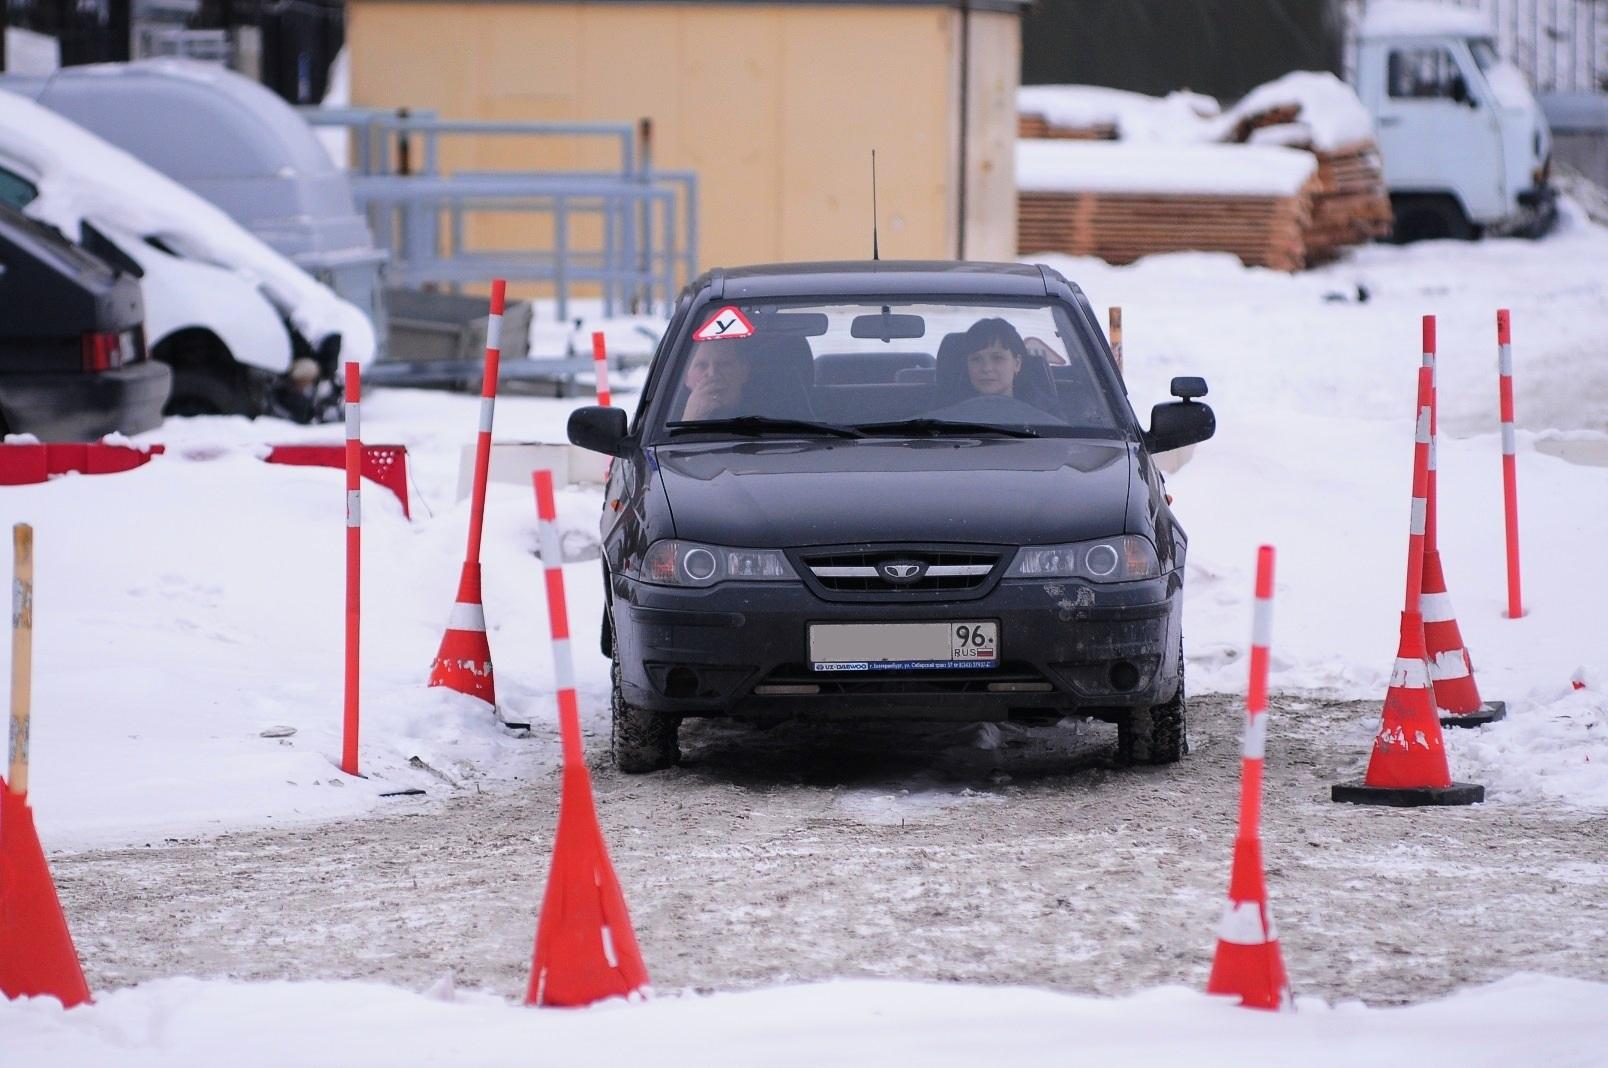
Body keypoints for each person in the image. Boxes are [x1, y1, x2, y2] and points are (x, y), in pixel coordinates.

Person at [679, 341, 753, 420]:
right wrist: (691, 418)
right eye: (701, 365)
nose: (712, 373)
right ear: (686, 377)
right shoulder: (667, 413)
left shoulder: (763, 416)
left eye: (723, 364)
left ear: (744, 371)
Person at [957, 317, 1030, 398]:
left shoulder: (1035, 410)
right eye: (976, 359)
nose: (986, 368)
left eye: (997, 358)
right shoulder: (952, 411)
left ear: (1017, 364)